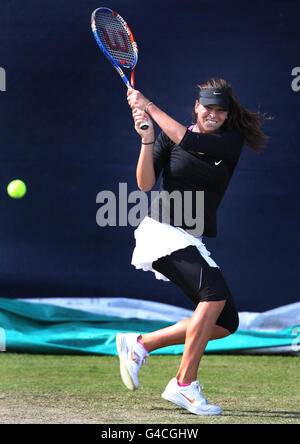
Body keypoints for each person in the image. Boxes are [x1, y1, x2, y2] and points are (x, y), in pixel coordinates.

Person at [116, 78, 269, 416]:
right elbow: (143, 184)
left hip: (190, 239)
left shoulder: (230, 142)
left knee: (226, 322)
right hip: (161, 233)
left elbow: (188, 138)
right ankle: (184, 384)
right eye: (207, 108)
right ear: (195, 108)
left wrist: (150, 106)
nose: (212, 114)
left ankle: (140, 345)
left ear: (227, 116)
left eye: (219, 110)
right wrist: (146, 139)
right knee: (212, 297)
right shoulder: (170, 139)